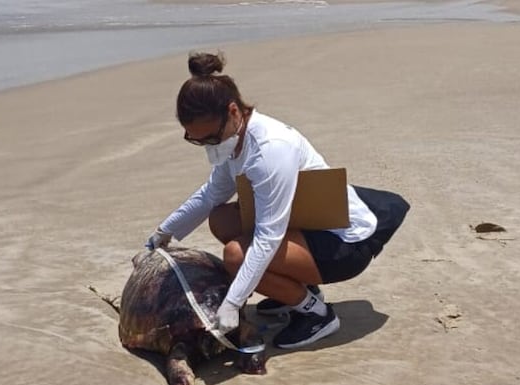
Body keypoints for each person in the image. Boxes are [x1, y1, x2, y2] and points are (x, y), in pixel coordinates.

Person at [146, 51, 407, 349]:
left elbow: (269, 237)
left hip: (345, 243)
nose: (207, 147)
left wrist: (233, 301)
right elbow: (211, 195)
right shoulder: (234, 142)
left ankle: (317, 315)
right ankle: (298, 290)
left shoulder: (269, 150)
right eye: (196, 141)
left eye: (210, 139)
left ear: (233, 112)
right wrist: (163, 232)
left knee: (236, 255)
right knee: (221, 218)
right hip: (311, 224)